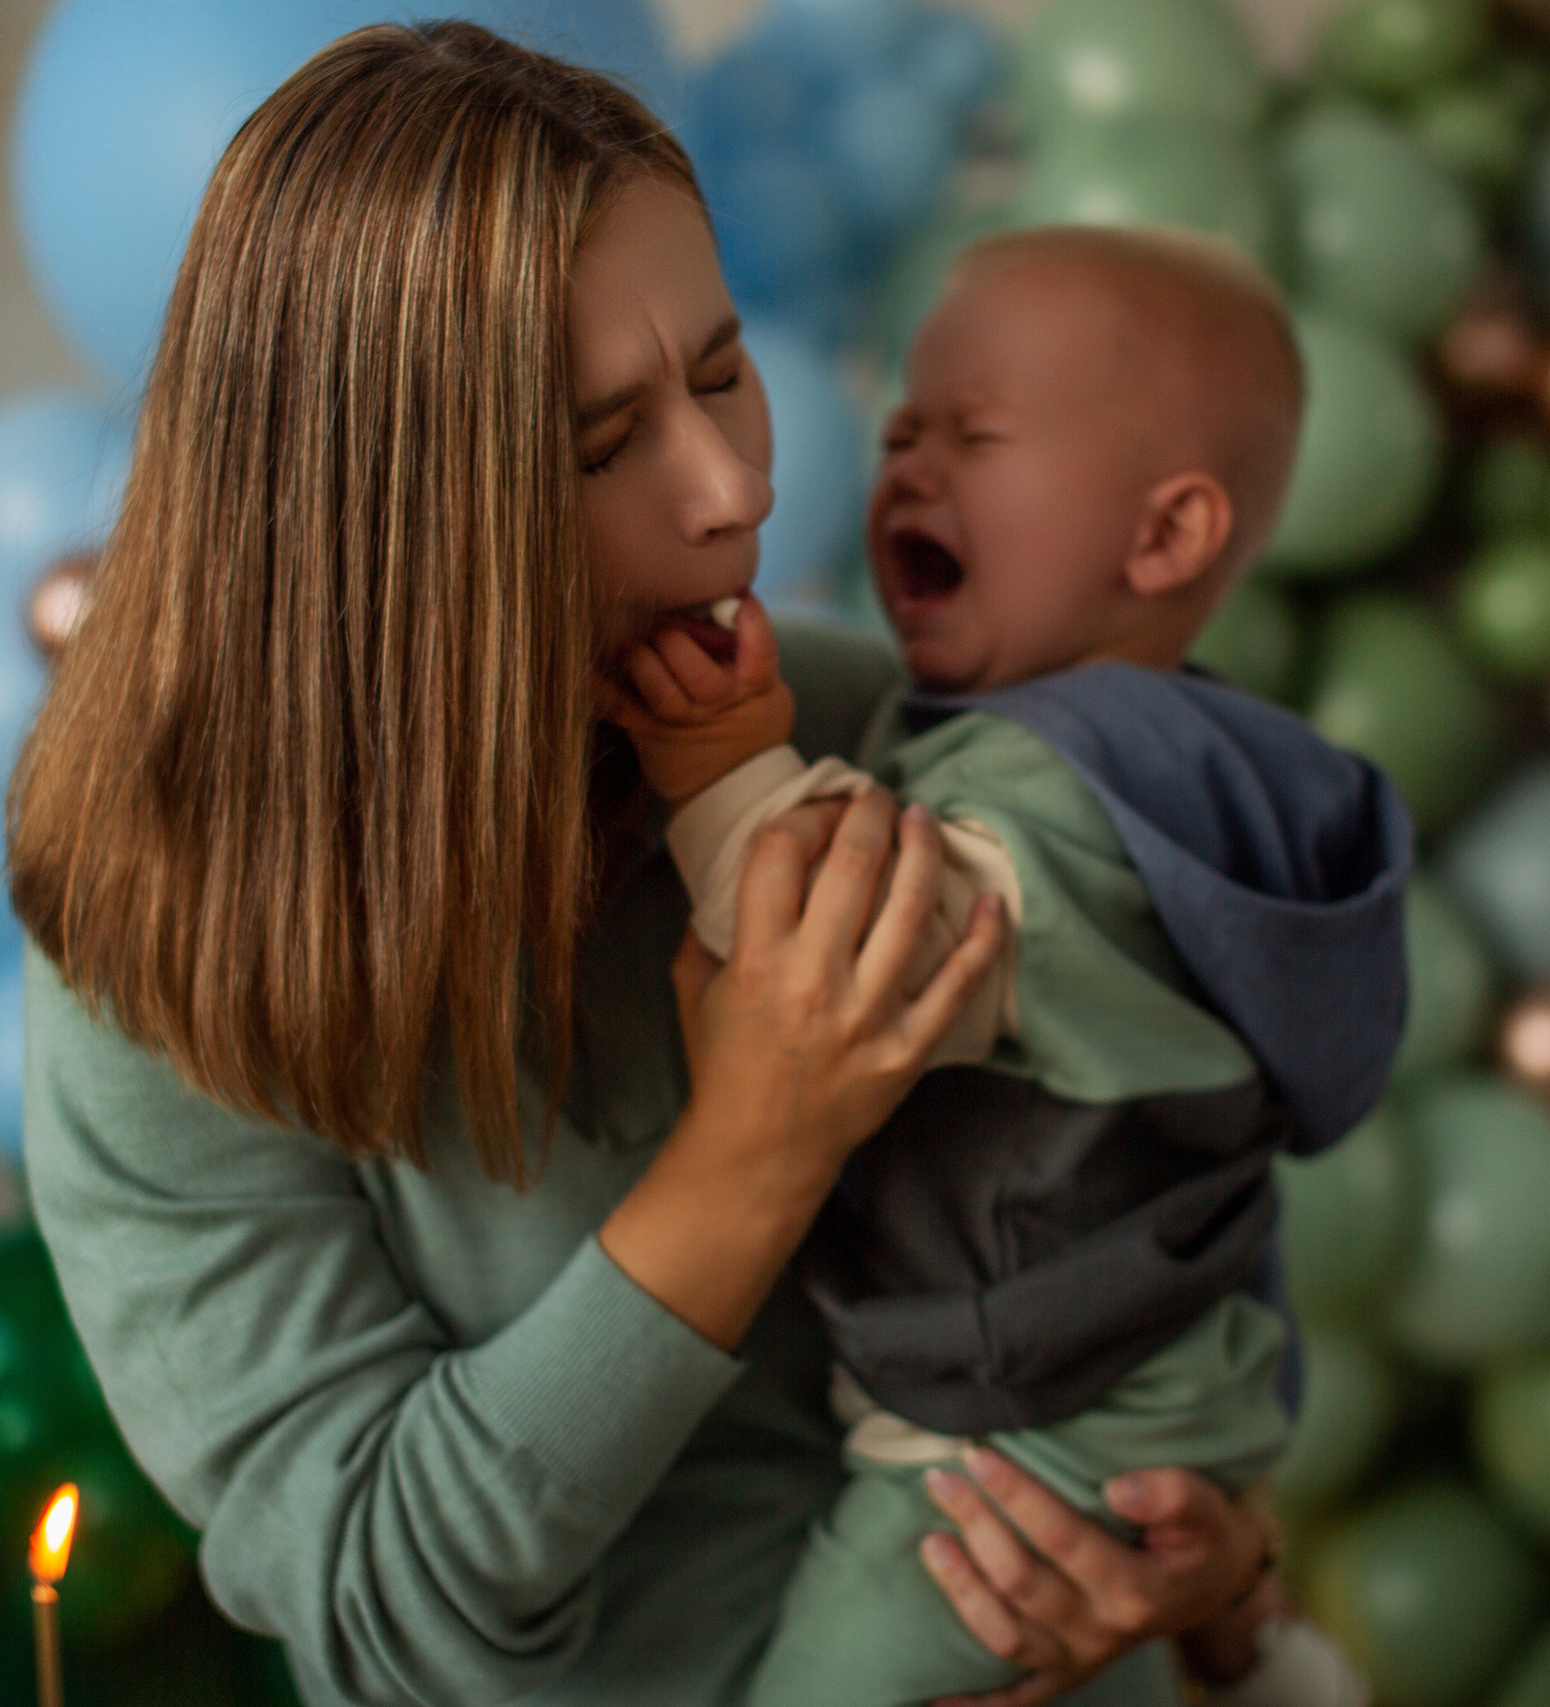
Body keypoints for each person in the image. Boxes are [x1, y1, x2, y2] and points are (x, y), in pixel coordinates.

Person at [8, 23, 1281, 1707]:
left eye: (721, 369)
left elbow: (1170, 1193)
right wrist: (758, 1144)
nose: (738, 487)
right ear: (394, 521)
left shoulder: (853, 725)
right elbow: (386, 1617)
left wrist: (1220, 1574)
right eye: (605, 444)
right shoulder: (151, 961)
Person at [598, 227, 1412, 1707]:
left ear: (1164, 539)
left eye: (977, 435)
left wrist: (718, 763)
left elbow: (850, 959)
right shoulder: (1193, 764)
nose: (910, 464)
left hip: (1027, 1461)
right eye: (905, 425)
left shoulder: (1067, 801)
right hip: (1126, 1391)